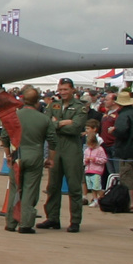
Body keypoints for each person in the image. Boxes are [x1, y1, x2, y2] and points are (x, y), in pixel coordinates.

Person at [41, 78, 89, 231]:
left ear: (73, 90)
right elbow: (46, 124)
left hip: (71, 148)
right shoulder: (53, 105)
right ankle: (52, 218)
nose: (62, 93)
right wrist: (62, 123)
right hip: (55, 148)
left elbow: (75, 128)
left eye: (65, 90)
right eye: (60, 90)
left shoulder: (80, 107)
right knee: (53, 185)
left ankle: (75, 220)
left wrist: (57, 123)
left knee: (74, 186)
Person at [10, 86, 54, 233]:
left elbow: (4, 135)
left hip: (18, 154)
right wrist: (50, 158)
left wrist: (9, 154)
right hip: (35, 155)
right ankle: (26, 223)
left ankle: (11, 222)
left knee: (15, 188)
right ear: (37, 102)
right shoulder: (44, 119)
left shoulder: (14, 116)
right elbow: (52, 141)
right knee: (30, 190)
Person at [84, 119, 107, 205]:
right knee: (92, 187)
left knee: (97, 187)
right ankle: (95, 199)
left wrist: (95, 159)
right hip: (88, 170)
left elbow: (104, 159)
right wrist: (85, 161)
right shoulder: (86, 150)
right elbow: (84, 159)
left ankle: (102, 197)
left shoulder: (100, 149)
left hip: (97, 170)